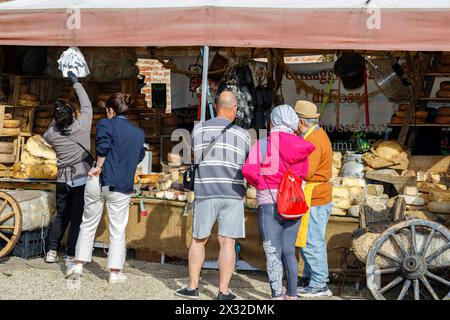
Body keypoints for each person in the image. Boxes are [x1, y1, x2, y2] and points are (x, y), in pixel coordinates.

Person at [175, 91, 250, 300]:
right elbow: (248, 163)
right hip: (233, 193)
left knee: (199, 240)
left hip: (206, 191)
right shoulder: (244, 134)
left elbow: (193, 157)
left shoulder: (198, 130)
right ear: (233, 109)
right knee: (227, 242)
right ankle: (223, 291)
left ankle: (193, 287)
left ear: (217, 107)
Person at [66, 93, 145, 284]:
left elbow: (102, 148)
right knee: (118, 229)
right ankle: (114, 273)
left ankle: (78, 264)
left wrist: (98, 166)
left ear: (110, 110)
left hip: (99, 179)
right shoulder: (138, 133)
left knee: (87, 223)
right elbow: (140, 156)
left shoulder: (104, 124)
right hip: (122, 184)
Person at [242, 104, 315, 300]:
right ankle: (292, 295)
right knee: (289, 252)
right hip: (294, 203)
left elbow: (249, 170)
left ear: (273, 121)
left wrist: (261, 182)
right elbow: (304, 174)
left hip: (269, 203)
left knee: (273, 252)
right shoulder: (302, 147)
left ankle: (276, 296)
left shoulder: (264, 143)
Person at [44, 71, 93, 267]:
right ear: (73, 115)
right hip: (81, 177)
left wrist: (57, 115)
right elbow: (87, 104)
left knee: (61, 216)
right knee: (76, 217)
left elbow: (49, 130)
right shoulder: (82, 127)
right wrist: (76, 83)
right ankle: (70, 253)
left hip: (62, 179)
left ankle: (51, 250)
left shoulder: (52, 135)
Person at [294, 100, 333, 298]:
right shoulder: (317, 134)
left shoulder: (314, 139)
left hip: (315, 195)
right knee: (310, 239)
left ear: (301, 122)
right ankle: (310, 278)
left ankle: (319, 283)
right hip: (317, 195)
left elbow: (308, 173)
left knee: (311, 241)